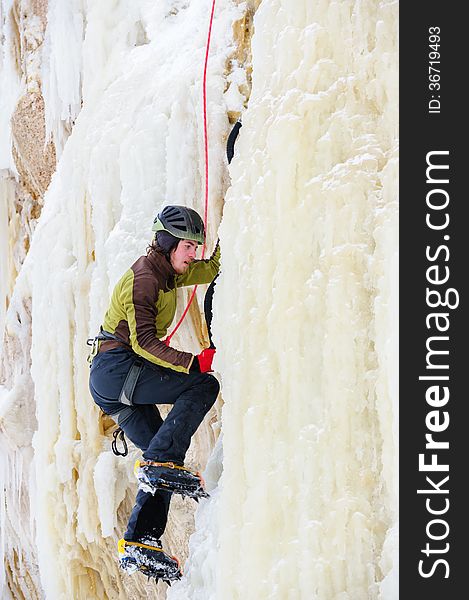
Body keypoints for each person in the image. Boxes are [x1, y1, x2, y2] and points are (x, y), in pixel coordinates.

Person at [88, 205, 220, 582]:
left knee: (163, 459)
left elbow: (208, 270)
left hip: (115, 381)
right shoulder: (145, 277)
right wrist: (192, 362)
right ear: (168, 244)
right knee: (203, 385)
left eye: (195, 246)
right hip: (117, 369)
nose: (193, 253)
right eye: (188, 247)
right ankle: (157, 470)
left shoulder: (167, 272)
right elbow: (144, 342)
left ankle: (139, 542)